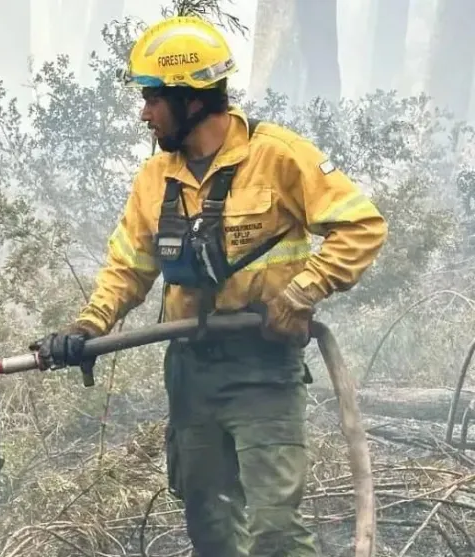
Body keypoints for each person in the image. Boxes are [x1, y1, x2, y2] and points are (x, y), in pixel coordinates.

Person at [29, 15, 388, 557]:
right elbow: (128, 267)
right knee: (213, 533)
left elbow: (362, 225)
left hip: (263, 370)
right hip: (191, 373)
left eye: (152, 98)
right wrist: (87, 326)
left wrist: (301, 293)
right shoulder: (155, 178)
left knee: (276, 532)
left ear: (192, 99)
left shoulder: (278, 156)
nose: (144, 113)